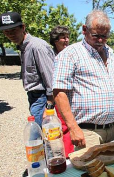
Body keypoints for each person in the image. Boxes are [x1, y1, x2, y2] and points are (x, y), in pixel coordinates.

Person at [52, 10, 114, 149]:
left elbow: (113, 78)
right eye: (96, 35)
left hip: (111, 130)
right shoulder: (70, 54)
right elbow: (59, 93)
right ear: (85, 30)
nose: (101, 40)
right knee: (90, 170)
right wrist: (73, 128)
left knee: (110, 169)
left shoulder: (110, 52)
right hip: (87, 132)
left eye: (105, 36)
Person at [0, 12, 55, 128]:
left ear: (23, 27)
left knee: (45, 137)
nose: (10, 35)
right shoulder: (24, 46)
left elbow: (51, 79)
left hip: (43, 99)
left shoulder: (37, 46)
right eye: (6, 32)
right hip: (35, 98)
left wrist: (49, 106)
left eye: (13, 30)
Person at [49, 25, 73, 158]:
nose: (66, 40)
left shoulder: (70, 55)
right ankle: (65, 156)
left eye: (67, 37)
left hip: (69, 97)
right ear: (55, 40)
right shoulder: (52, 57)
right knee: (61, 128)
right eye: (63, 38)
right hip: (56, 98)